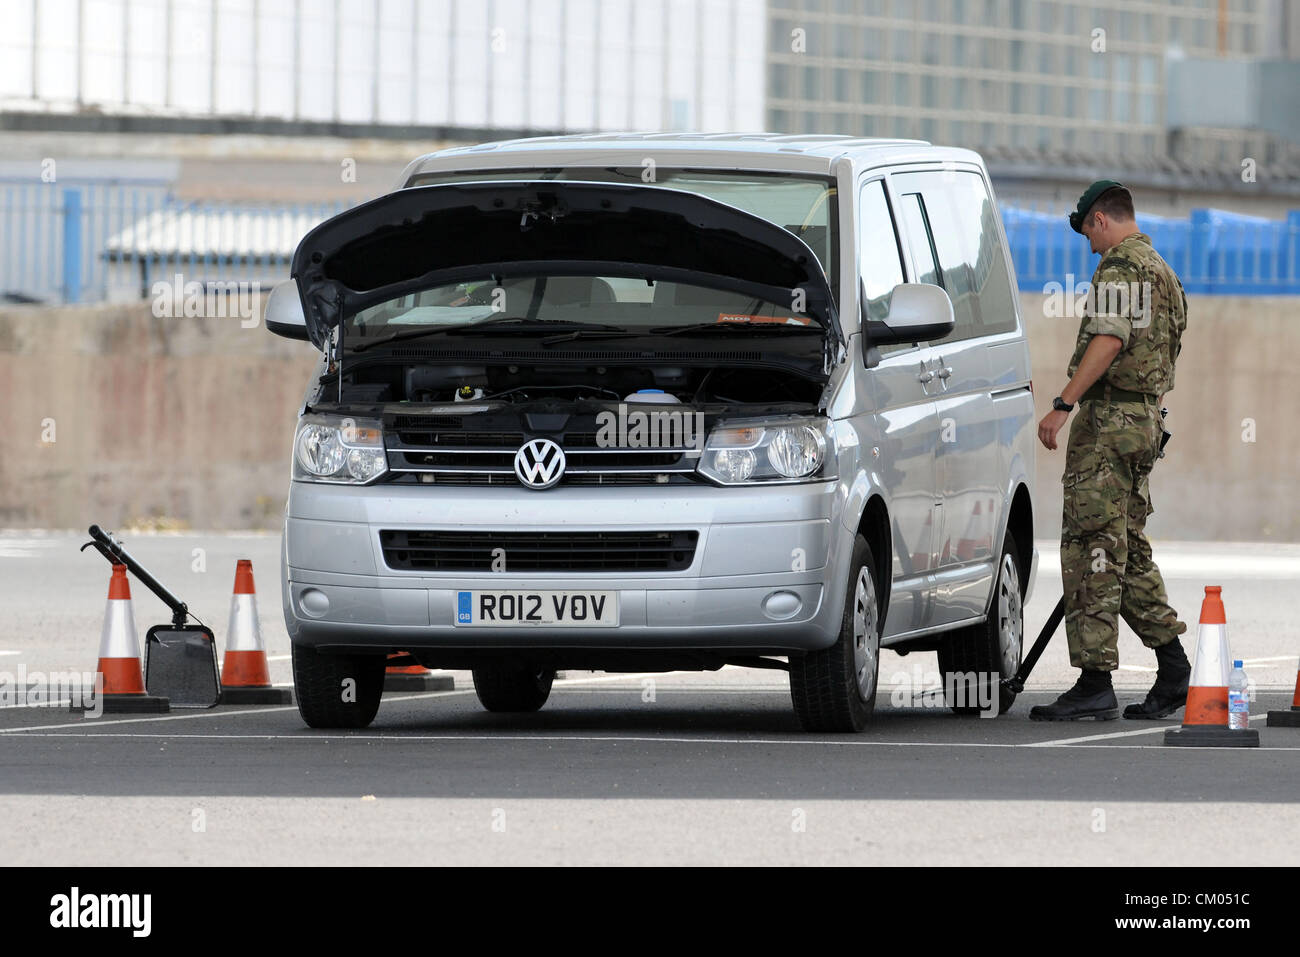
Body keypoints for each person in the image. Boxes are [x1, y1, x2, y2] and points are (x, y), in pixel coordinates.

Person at [1030, 180, 1190, 721]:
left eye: (1088, 234)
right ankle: (1174, 669)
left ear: (1101, 219)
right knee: (1128, 548)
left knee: (1091, 548)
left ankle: (1095, 682)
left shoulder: (1121, 267)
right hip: (1142, 422)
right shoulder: (1165, 273)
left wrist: (1063, 402)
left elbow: (1110, 338)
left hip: (1108, 425)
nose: (1090, 247)